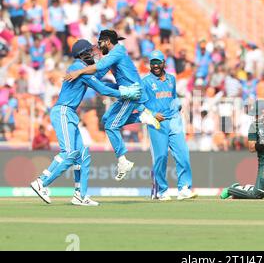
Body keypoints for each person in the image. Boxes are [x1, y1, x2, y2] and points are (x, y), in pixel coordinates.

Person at [30, 39, 142, 206]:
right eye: (89, 51)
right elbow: (102, 89)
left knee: (82, 155)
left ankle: (80, 195)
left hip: (69, 113)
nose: (93, 53)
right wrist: (124, 93)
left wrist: (115, 66)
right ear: (82, 54)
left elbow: (98, 77)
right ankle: (41, 182)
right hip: (63, 111)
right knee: (68, 152)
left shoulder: (82, 70)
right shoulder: (77, 67)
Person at [64, 29, 160, 181]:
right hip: (127, 93)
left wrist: (79, 72)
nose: (98, 46)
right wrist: (83, 77)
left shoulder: (118, 51)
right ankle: (142, 116)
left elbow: (98, 67)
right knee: (106, 120)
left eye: (100, 42)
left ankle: (123, 161)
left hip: (131, 93)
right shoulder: (113, 56)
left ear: (108, 41)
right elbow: (98, 75)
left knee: (111, 126)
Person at [142, 50, 197, 201]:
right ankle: (162, 190)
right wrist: (153, 114)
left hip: (174, 120)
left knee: (183, 154)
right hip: (157, 123)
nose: (155, 65)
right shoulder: (146, 82)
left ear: (164, 63)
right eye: (152, 62)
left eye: (158, 62)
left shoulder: (172, 79)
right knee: (161, 157)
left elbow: (173, 97)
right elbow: (140, 104)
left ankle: (184, 188)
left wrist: (177, 105)